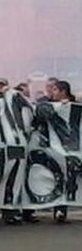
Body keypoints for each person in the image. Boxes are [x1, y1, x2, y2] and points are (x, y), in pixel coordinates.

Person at [51, 80, 76, 223]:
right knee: (59, 178)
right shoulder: (49, 105)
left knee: (72, 178)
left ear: (63, 91)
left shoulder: (75, 106)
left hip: (73, 148)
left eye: (55, 90)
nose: (51, 93)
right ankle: (60, 209)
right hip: (57, 149)